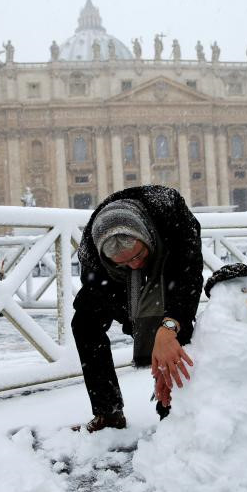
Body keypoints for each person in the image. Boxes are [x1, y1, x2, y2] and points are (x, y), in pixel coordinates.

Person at [72, 185, 203, 432]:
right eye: (124, 263)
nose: (135, 265)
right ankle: (108, 413)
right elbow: (99, 292)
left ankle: (174, 413)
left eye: (137, 256)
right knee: (84, 323)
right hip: (116, 280)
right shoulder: (92, 252)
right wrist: (140, 330)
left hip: (168, 260)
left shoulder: (172, 215)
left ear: (144, 237)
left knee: (174, 334)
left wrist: (168, 327)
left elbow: (189, 279)